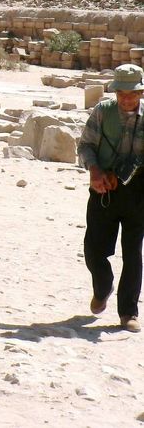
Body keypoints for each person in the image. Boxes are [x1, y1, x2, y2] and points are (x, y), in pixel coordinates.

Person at [78, 63, 144, 333]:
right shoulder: (102, 112)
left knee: (133, 253)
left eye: (132, 94)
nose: (127, 99)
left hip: (138, 193)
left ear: (141, 93)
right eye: (122, 94)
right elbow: (85, 146)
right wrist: (95, 172)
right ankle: (103, 287)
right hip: (104, 188)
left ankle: (128, 311)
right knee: (94, 249)